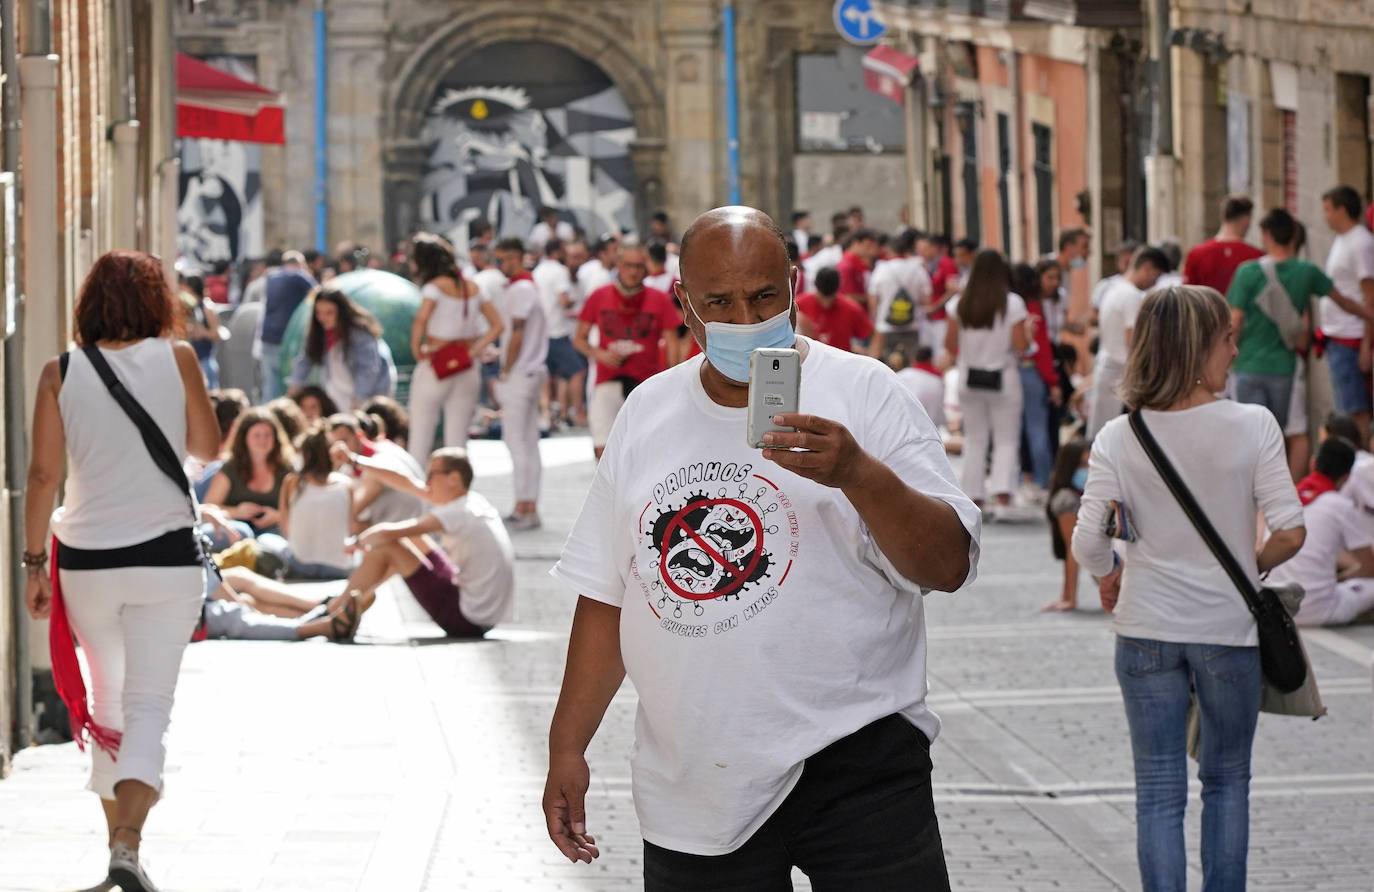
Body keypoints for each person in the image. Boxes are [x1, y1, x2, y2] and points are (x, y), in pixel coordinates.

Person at [542, 206, 979, 888]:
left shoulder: (866, 393)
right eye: (720, 301)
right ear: (684, 303)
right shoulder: (647, 412)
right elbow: (607, 594)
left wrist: (858, 474)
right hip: (695, 782)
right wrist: (567, 746)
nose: (744, 320)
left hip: (856, 759)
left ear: (796, 286)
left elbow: (948, 565)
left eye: (763, 296)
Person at [1071, 285, 1306, 892]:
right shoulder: (1252, 424)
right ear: (1198, 346)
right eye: (1227, 338)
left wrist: (1108, 577)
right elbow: (1291, 530)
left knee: (1158, 791)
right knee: (1227, 781)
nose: (1234, 351)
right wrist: (1249, 566)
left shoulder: (1120, 437)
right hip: (1228, 632)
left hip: (1145, 630)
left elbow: (1089, 542)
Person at [22, 250, 221, 892]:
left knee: (109, 704)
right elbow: (207, 448)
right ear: (157, 302)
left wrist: (31, 564)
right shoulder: (180, 359)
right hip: (165, 559)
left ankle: (120, 849)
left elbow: (43, 477)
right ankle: (129, 843)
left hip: (86, 563)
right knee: (147, 708)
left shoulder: (62, 371)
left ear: (89, 304)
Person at [327, 444, 516, 639]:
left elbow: (387, 533)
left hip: (467, 618)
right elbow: (405, 482)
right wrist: (354, 460)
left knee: (391, 546)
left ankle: (336, 608)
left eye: (432, 474)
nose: (426, 481)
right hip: (483, 615)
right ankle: (350, 602)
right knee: (409, 539)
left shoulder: (457, 513)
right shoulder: (472, 501)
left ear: (454, 479)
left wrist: (357, 543)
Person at [1227, 208, 1336, 433]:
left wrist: (1227, 357)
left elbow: (1235, 320)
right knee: (1274, 434)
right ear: (1294, 236)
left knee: (1250, 434)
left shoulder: (1247, 272)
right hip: (1283, 367)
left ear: (1267, 234)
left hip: (1248, 363)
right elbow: (1341, 300)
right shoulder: (1307, 271)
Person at [573, 241, 683, 460]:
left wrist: (672, 379)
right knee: (603, 448)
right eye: (628, 266)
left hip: (646, 384)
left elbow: (673, 343)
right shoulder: (599, 296)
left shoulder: (658, 299)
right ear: (618, 265)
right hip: (607, 381)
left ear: (646, 267)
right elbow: (579, 339)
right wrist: (600, 354)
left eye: (639, 266)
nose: (634, 272)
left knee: (645, 449)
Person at [944, 248, 1031, 509]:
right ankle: (1003, 493)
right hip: (1003, 377)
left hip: (969, 378)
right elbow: (1020, 345)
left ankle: (974, 494)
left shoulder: (959, 303)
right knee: (1006, 438)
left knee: (976, 437)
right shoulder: (1012, 303)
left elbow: (949, 345)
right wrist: (1029, 334)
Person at [406, 232, 504, 461]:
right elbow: (497, 325)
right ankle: (458, 493)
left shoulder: (432, 288)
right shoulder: (473, 287)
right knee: (458, 441)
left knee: (420, 436)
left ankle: (417, 494)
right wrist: (473, 351)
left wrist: (416, 348)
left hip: (436, 362)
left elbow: (420, 321)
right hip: (466, 365)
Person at [1266, 436, 1374, 626]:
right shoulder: (1340, 505)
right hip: (1318, 610)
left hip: (1278, 606)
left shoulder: (1288, 497)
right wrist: (1341, 579)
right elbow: (1368, 568)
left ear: (1313, 463)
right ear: (1347, 477)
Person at [492, 237, 549, 529]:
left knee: (517, 441)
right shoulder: (528, 287)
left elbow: (516, 333)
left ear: (514, 259)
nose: (499, 265)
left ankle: (523, 506)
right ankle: (527, 505)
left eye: (501, 259)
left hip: (520, 373)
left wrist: (505, 368)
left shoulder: (521, 288)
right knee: (527, 441)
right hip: (530, 370)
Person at [1087, 247, 1169, 438]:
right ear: (1147, 267)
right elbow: (1133, 341)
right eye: (1155, 277)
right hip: (1121, 375)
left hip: (1108, 369)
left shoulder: (1113, 290)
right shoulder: (1131, 295)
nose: (1153, 283)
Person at [257, 426, 355, 580]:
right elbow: (350, 530)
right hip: (340, 568)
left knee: (264, 539)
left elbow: (285, 529)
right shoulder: (347, 484)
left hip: (301, 566)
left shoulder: (292, 481)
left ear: (303, 453)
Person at [287, 285, 396, 411]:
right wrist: (294, 388)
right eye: (318, 312)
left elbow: (368, 369)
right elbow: (306, 359)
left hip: (370, 392)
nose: (323, 317)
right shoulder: (318, 332)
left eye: (329, 312)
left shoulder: (359, 332)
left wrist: (359, 399)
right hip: (339, 391)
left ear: (341, 311)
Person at [1320, 184, 1374, 433]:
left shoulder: (1361, 243)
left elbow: (1369, 296)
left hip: (1350, 338)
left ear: (1342, 210)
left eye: (1329, 210)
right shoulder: (1343, 240)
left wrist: (1365, 345)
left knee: (1356, 412)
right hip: (1338, 337)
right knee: (1346, 408)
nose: (1326, 215)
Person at [204, 407, 296, 537]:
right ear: (244, 438)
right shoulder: (230, 468)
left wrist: (278, 516)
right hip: (237, 533)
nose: (262, 440)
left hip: (274, 533)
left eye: (267, 435)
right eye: (257, 435)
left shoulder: (286, 469)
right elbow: (209, 508)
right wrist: (237, 511)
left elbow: (299, 508)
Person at [324, 412, 426, 529]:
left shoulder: (380, 461)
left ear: (359, 435)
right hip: (401, 527)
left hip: (411, 530)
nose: (338, 449)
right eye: (333, 445)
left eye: (344, 441)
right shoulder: (378, 449)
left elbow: (346, 513)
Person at [1014, 261, 1064, 492]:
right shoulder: (1032, 307)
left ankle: (1017, 480)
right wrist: (1052, 381)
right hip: (1030, 370)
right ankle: (1044, 481)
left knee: (1013, 430)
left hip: (1008, 371)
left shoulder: (1006, 305)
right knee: (1037, 427)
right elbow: (1041, 348)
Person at [535, 238, 587, 429]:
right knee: (576, 371)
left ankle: (549, 415)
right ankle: (579, 413)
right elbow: (564, 301)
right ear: (557, 252)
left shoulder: (538, 270)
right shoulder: (559, 271)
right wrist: (574, 301)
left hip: (542, 331)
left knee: (549, 376)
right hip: (557, 330)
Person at [254, 251, 317, 401]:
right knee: (289, 385)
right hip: (287, 339)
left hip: (267, 337)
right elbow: (318, 295)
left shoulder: (272, 277)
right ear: (300, 264)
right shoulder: (299, 276)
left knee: (270, 385)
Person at [1042, 438, 1090, 612]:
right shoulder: (1067, 499)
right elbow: (1072, 549)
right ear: (1069, 467)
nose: (1088, 470)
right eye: (1083, 465)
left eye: (1090, 464)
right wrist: (1069, 598)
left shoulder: (1086, 493)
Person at [871, 228, 931, 361]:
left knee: (889, 366)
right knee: (911, 364)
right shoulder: (918, 269)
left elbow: (873, 300)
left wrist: (874, 322)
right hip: (912, 325)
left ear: (890, 250)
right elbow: (926, 300)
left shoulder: (881, 269)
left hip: (885, 326)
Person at [1184, 195, 1263, 294]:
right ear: (1246, 219)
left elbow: (1187, 295)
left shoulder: (1196, 254)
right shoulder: (1256, 257)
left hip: (1207, 309)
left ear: (1223, 216)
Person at [796, 266, 877, 354]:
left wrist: (873, 357)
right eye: (822, 298)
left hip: (840, 362)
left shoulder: (850, 308)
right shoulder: (798, 305)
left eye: (830, 298)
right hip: (811, 360)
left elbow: (874, 333)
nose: (826, 304)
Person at [917, 233, 960, 351]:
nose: (923, 253)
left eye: (926, 249)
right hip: (932, 318)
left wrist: (934, 308)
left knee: (941, 352)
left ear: (935, 249)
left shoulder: (946, 263)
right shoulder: (931, 265)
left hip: (942, 318)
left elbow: (953, 290)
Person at [178, 273, 221, 388]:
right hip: (190, 361)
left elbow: (217, 334)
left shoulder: (207, 308)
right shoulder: (185, 307)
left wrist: (204, 333)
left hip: (204, 360)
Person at [897, 344, 946, 429]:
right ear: (931, 360)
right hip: (928, 432)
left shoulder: (900, 376)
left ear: (913, 359)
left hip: (901, 429)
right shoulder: (937, 382)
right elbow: (939, 418)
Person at [1091, 240, 1141, 316]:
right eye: (1126, 262)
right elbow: (1093, 314)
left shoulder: (1147, 285)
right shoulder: (1106, 285)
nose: (1130, 267)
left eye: (1133, 263)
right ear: (1118, 263)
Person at [836, 228, 880, 313]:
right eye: (867, 246)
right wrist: (872, 297)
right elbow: (846, 297)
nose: (871, 251)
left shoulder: (861, 265)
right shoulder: (846, 266)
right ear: (856, 243)